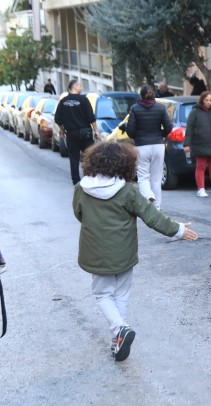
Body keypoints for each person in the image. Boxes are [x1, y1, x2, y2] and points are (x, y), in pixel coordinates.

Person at [73, 140, 198, 361]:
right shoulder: (128, 191)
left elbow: (79, 214)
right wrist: (177, 230)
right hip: (124, 252)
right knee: (121, 294)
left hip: (95, 252)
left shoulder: (81, 189)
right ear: (125, 164)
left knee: (102, 294)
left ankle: (119, 331)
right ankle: (118, 334)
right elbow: (152, 217)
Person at [124, 84, 172, 209]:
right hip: (158, 145)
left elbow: (130, 131)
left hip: (142, 146)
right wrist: (160, 135)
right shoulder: (160, 108)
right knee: (156, 177)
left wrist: (137, 136)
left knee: (143, 175)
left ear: (141, 95)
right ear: (154, 95)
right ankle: (157, 206)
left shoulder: (135, 108)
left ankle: (148, 195)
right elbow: (169, 127)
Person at [54, 79, 99, 185]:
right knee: (89, 156)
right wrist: (96, 130)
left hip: (71, 134)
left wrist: (62, 130)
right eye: (80, 86)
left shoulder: (63, 101)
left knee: (73, 158)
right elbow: (91, 117)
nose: (82, 88)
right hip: (85, 133)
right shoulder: (84, 100)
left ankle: (76, 181)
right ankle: (89, 178)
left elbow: (57, 119)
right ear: (75, 87)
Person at [185, 90, 211, 197]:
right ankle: (201, 189)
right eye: (206, 100)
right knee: (201, 167)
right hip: (200, 143)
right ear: (202, 101)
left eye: (210, 100)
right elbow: (189, 128)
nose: (208, 102)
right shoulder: (195, 112)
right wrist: (187, 144)